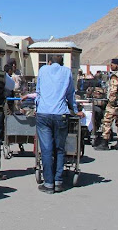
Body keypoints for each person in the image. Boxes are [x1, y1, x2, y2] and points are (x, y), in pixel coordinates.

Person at [33, 55, 84, 193]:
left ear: (49, 62)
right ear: (62, 63)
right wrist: (75, 110)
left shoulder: (43, 70)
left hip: (43, 113)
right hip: (61, 114)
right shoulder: (66, 72)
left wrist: (36, 107)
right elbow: (70, 94)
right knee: (60, 149)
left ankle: (48, 183)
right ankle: (58, 181)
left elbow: (38, 92)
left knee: (46, 149)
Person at [95, 59, 118, 151]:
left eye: (113, 64)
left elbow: (114, 90)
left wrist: (111, 101)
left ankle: (105, 143)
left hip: (114, 103)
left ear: (117, 66)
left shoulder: (116, 76)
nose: (111, 66)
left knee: (107, 121)